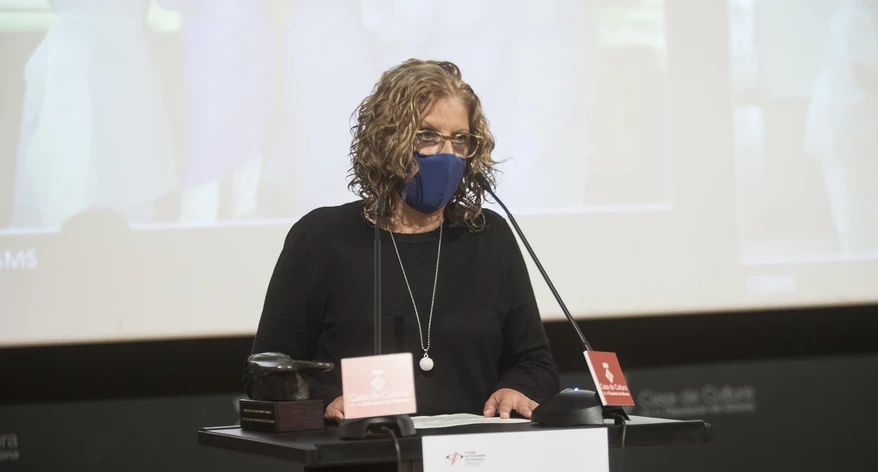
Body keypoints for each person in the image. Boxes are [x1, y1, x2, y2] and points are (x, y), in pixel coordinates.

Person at [248, 59, 559, 422]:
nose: (446, 154)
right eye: (427, 135)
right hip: (361, 453)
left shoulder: (489, 236)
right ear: (387, 139)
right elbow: (268, 371)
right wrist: (327, 401)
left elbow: (535, 363)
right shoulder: (321, 237)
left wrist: (517, 388)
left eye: (460, 139)